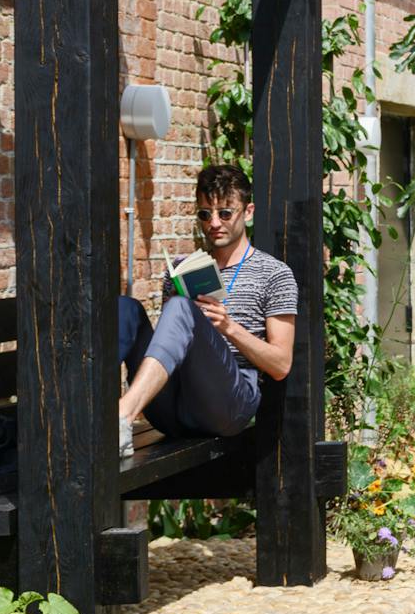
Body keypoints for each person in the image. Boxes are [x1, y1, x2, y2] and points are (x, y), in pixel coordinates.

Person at [115, 165, 297, 457]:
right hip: (175, 406)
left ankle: (121, 415)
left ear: (248, 212)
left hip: (229, 405)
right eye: (205, 214)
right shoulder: (182, 271)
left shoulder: (273, 274)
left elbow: (281, 365)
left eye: (225, 213)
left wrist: (228, 327)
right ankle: (78, 412)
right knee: (125, 308)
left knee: (181, 307)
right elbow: (168, 349)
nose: (214, 222)